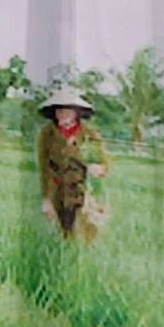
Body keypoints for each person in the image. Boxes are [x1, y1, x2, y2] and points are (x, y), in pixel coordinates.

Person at [35, 86, 109, 241]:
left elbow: (104, 164)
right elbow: (44, 168)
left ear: (76, 113)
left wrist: (98, 168)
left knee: (87, 231)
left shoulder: (89, 134)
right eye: (59, 111)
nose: (62, 115)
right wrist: (46, 199)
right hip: (59, 191)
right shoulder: (47, 134)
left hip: (84, 190)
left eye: (67, 111)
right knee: (66, 234)